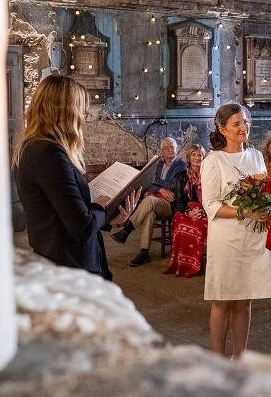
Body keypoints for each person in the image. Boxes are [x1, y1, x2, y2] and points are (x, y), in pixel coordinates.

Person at [13, 75, 139, 280]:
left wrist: (110, 219)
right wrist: (100, 206)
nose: (83, 114)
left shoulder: (33, 147)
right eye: (79, 107)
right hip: (71, 267)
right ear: (63, 110)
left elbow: (64, 213)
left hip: (59, 260)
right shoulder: (48, 153)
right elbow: (82, 226)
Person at [201, 103, 271, 359]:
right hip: (227, 240)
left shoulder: (255, 156)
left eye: (245, 122)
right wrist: (245, 213)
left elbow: (267, 197)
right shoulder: (213, 161)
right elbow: (210, 205)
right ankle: (218, 360)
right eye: (236, 124)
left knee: (245, 300)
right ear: (222, 130)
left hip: (253, 238)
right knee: (222, 300)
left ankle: (240, 358)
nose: (244, 127)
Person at [111, 137, 187, 266]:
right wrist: (160, 188)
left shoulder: (181, 166)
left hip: (171, 204)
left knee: (149, 199)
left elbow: (171, 185)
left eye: (172, 147)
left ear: (176, 149)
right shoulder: (159, 165)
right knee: (149, 213)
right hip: (156, 202)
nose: (170, 150)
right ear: (161, 151)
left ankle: (128, 229)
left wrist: (158, 187)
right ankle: (144, 252)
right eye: (166, 148)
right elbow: (149, 183)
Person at [164, 144, 207, 278]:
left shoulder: (209, 175)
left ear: (203, 157)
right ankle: (187, 264)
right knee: (185, 227)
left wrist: (202, 211)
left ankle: (199, 261)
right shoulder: (181, 176)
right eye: (194, 154)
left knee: (201, 225)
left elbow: (213, 198)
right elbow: (178, 202)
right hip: (184, 211)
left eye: (199, 155)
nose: (196, 157)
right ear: (189, 157)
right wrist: (189, 212)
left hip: (204, 210)